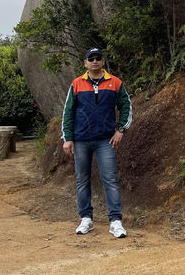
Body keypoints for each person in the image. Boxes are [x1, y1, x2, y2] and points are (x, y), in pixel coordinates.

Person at [62, 47, 133, 237]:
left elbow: (126, 105)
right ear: (85, 63)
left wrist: (121, 130)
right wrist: (67, 138)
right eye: (90, 58)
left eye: (98, 58)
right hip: (81, 140)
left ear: (103, 62)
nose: (94, 61)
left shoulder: (115, 83)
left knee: (110, 179)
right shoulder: (76, 84)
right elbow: (68, 112)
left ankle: (115, 221)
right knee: (82, 180)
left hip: (105, 140)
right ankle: (86, 219)